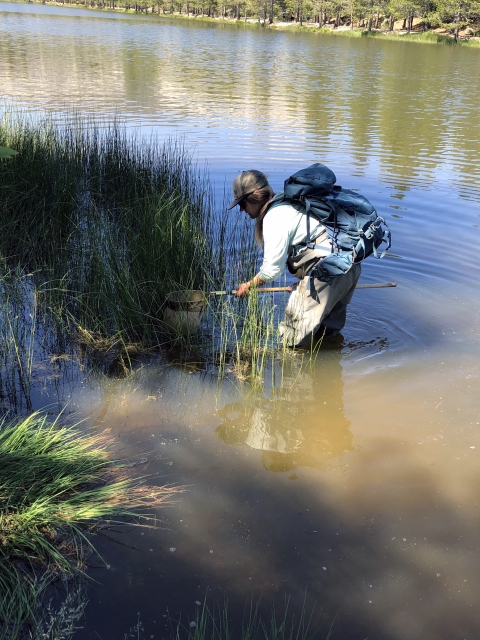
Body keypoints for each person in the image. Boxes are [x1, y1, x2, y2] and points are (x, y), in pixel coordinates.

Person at [227, 169, 361, 347]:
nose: (242, 210)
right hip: (348, 265)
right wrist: (305, 284)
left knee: (291, 340)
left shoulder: (274, 216)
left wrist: (248, 285)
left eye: (242, 204)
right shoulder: (287, 201)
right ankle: (330, 372)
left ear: (254, 197)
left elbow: (271, 271)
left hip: (327, 271)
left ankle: (292, 372)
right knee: (327, 337)